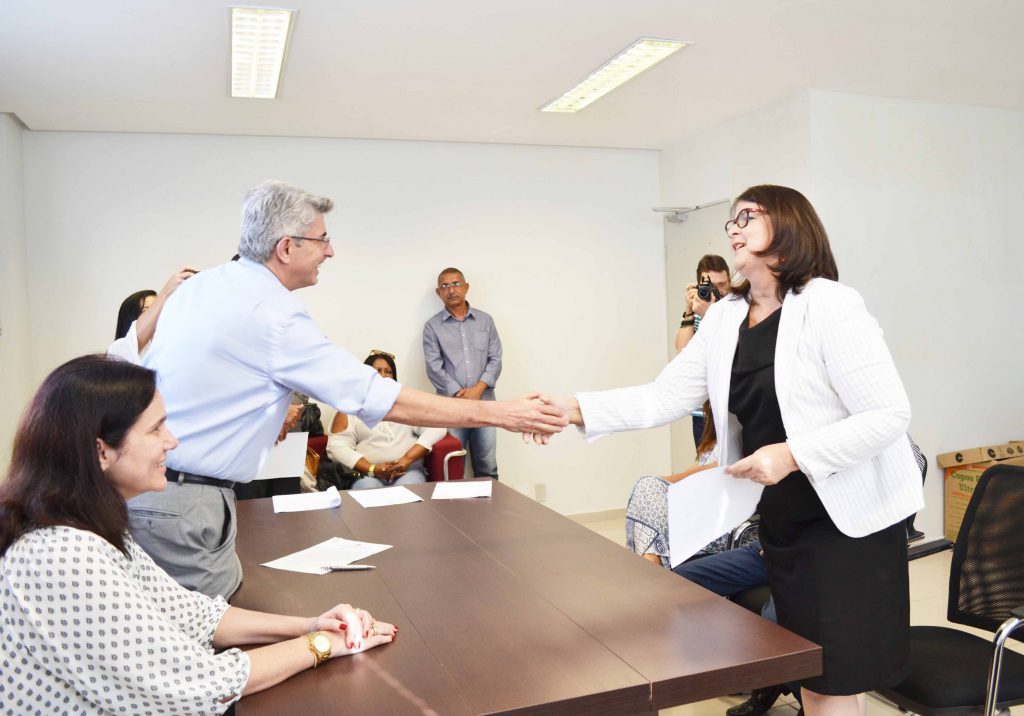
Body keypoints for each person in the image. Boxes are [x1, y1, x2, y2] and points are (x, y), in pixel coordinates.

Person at [544, 185, 923, 716]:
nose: (734, 228)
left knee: (833, 679)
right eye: (730, 221)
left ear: (790, 225)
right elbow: (665, 395)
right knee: (809, 672)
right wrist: (573, 409)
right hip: (784, 519)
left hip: (847, 523)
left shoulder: (830, 305)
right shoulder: (726, 317)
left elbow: (887, 415)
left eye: (747, 216)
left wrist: (791, 455)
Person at [130, 181, 565, 598]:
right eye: (322, 240)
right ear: (286, 247)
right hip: (185, 503)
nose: (330, 250)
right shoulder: (274, 315)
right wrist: (503, 413)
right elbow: (377, 396)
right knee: (205, 645)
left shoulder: (204, 285)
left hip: (161, 493)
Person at [0, 355, 396, 715]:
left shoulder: (85, 525)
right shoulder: (62, 552)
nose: (171, 441)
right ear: (101, 451)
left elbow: (196, 615)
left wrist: (312, 624)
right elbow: (200, 685)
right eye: (155, 429)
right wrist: (325, 646)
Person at [423, 267, 502, 479]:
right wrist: (460, 394)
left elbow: (495, 358)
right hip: (451, 408)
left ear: (466, 287)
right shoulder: (432, 327)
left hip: (484, 405)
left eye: (456, 284)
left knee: (487, 465)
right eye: (445, 286)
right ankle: (456, 513)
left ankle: (490, 511)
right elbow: (433, 366)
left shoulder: (486, 321)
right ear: (438, 293)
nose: (451, 290)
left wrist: (478, 389)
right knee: (453, 464)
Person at [328, 350, 447, 489]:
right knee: (367, 492)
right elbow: (336, 446)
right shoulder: (351, 408)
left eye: (388, 372)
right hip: (368, 475)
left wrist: (406, 460)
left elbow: (437, 427)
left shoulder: (406, 404)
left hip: (408, 471)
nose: (383, 376)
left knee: (408, 491)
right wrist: (372, 468)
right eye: (377, 371)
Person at [675, 255, 733, 447]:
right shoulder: (698, 310)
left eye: (722, 284)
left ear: (730, 281)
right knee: (705, 466)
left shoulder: (738, 308)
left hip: (730, 407)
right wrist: (689, 310)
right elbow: (682, 349)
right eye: (710, 285)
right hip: (702, 410)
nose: (717, 290)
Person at [107, 266, 197, 363]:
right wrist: (166, 291)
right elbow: (135, 339)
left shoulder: (172, 347)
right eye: (148, 311)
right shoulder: (117, 351)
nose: (158, 316)